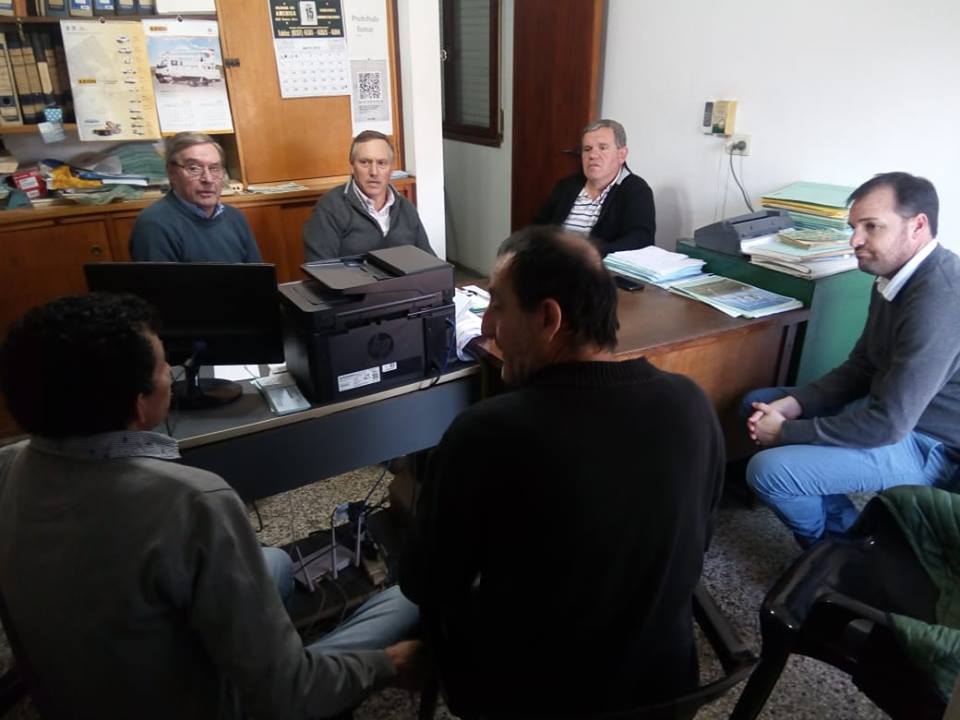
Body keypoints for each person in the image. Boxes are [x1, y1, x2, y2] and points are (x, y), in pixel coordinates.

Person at [0, 293, 421, 719]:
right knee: (410, 599)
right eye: (163, 366)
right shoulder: (192, 500)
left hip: (76, 692)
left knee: (276, 562)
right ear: (138, 403)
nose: (172, 372)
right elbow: (288, 696)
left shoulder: (9, 464)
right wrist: (387, 665)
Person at [402, 226, 724, 716]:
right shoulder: (691, 401)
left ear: (549, 319)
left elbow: (426, 583)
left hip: (535, 700)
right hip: (665, 691)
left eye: (497, 306)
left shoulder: (487, 432)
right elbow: (699, 541)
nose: (487, 324)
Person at [744, 172, 960, 548]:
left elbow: (889, 424)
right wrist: (796, 404)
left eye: (871, 227)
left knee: (768, 471)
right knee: (757, 403)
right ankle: (846, 531)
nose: (855, 240)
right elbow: (862, 365)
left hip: (929, 446)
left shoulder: (939, 298)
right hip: (890, 412)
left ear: (917, 226)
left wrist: (785, 432)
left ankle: (828, 550)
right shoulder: (893, 275)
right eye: (854, 227)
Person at [129, 132, 261, 263]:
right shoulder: (154, 225)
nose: (208, 179)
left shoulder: (235, 218)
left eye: (214, 168)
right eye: (194, 168)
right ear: (171, 172)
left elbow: (256, 273)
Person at [303, 130, 434, 261]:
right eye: (365, 162)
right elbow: (320, 268)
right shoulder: (329, 208)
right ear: (352, 167)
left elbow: (429, 260)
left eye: (381, 163)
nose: (374, 172)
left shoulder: (405, 207)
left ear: (391, 169)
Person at [532, 119, 655, 255]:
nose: (593, 155)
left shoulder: (636, 190)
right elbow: (537, 228)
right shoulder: (566, 186)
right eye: (587, 149)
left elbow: (641, 239)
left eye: (602, 147)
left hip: (599, 266)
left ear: (622, 155)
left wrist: (591, 254)